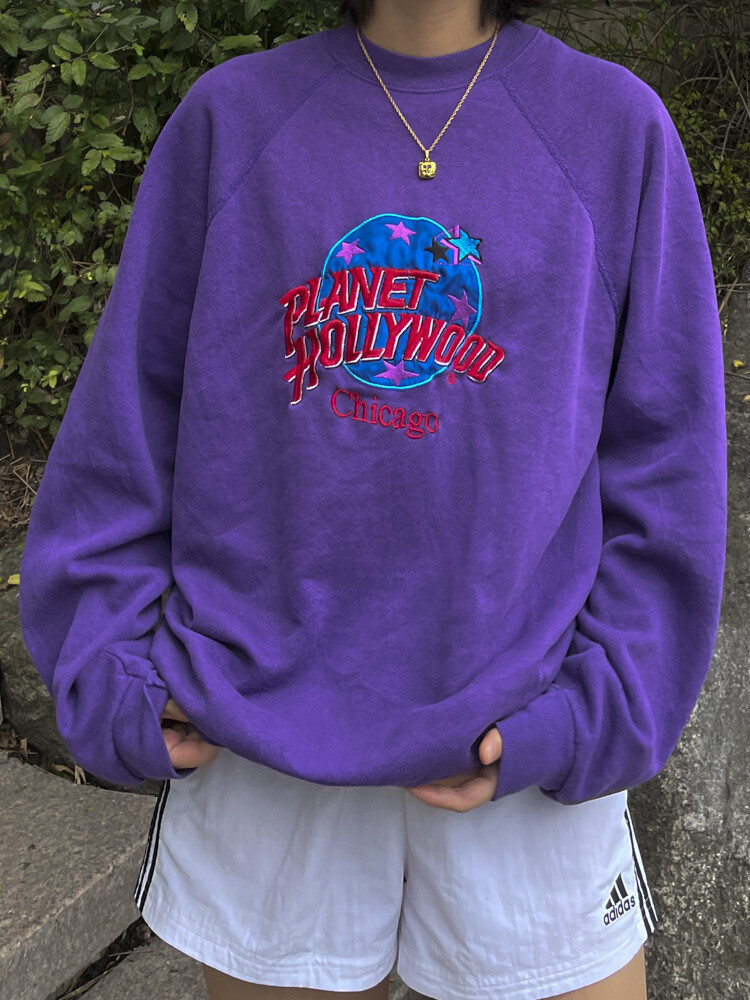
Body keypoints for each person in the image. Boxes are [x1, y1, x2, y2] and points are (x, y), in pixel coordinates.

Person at [18, 0, 728, 997]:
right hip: (261, 746)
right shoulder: (232, 119)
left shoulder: (615, 129)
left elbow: (667, 463)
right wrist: (115, 671)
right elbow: (126, 425)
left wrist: (595, 713)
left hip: (526, 735)